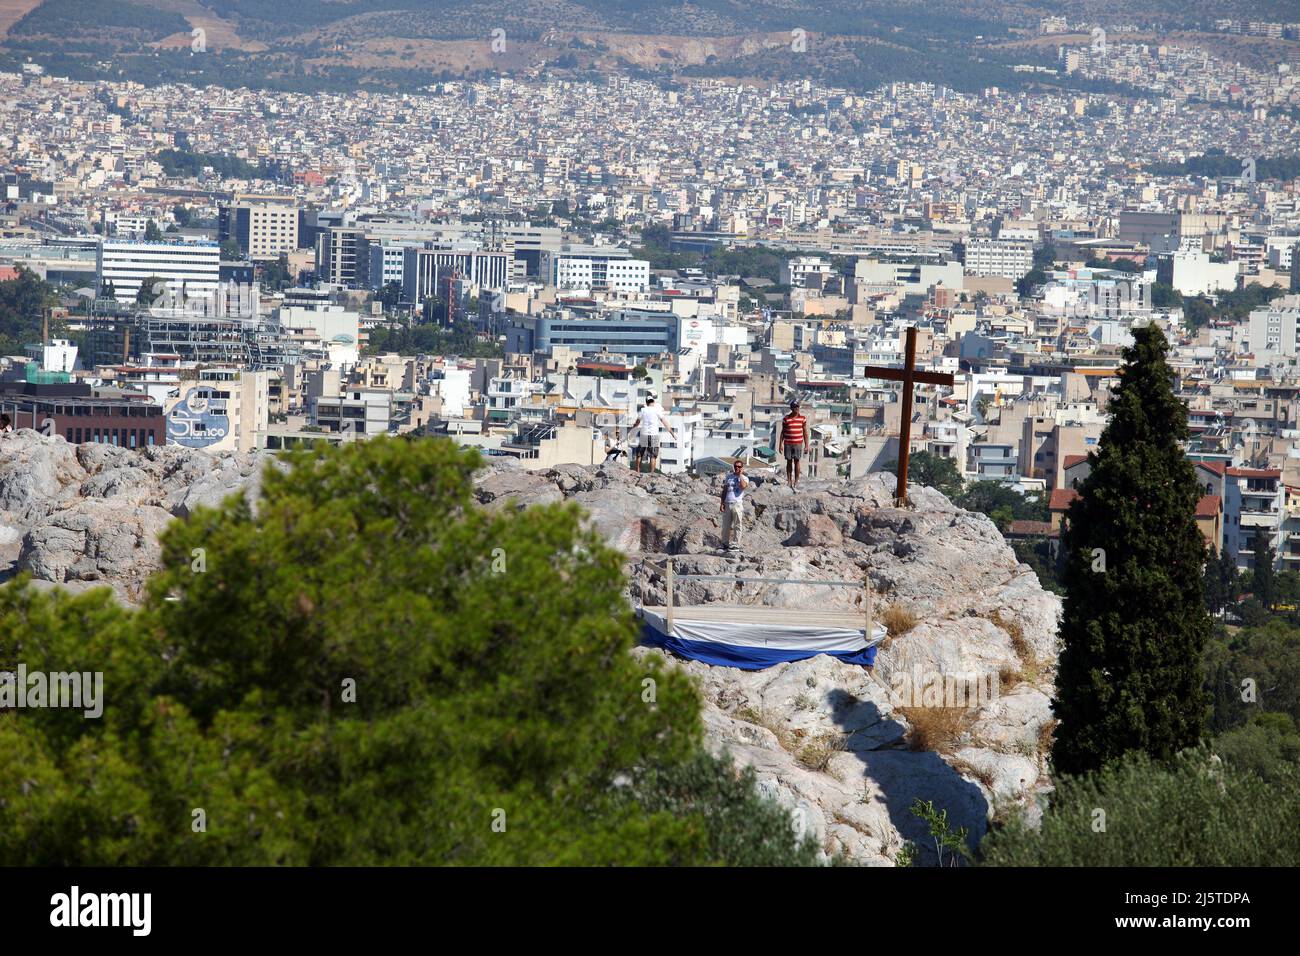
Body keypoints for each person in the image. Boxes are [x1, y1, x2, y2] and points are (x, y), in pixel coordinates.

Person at [636, 396, 676, 474]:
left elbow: (637, 422)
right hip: (654, 434)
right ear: (653, 402)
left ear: (646, 403)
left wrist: (632, 429)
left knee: (639, 454)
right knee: (653, 455)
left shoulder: (642, 410)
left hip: (644, 434)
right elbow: (665, 423)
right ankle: (651, 473)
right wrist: (672, 433)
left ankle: (637, 471)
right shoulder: (657, 410)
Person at [778, 399, 810, 489]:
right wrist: (780, 444)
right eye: (795, 407)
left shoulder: (802, 419)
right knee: (789, 461)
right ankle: (789, 481)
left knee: (797, 461)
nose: (797, 408)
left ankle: (796, 481)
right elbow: (783, 432)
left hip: (798, 443)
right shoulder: (786, 419)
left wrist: (807, 445)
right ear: (791, 408)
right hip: (788, 442)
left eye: (798, 407)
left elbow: (805, 432)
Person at [719, 458, 749, 552]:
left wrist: (740, 475)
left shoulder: (744, 478)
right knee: (726, 525)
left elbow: (743, 486)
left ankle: (736, 544)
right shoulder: (729, 477)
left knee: (737, 525)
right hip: (728, 503)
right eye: (735, 466)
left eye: (739, 467)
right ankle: (725, 543)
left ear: (742, 468)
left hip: (737, 504)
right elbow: (725, 490)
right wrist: (722, 503)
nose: (737, 468)